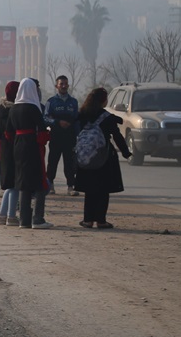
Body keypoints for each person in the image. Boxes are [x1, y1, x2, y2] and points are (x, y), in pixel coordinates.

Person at [74, 87, 131, 229]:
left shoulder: (82, 114)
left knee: (89, 190)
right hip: (103, 157)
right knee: (103, 190)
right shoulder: (107, 117)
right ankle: (101, 220)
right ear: (103, 101)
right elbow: (117, 136)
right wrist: (126, 152)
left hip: (85, 157)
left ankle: (87, 220)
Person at [7, 78, 53, 229]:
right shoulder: (34, 108)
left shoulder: (13, 108)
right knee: (40, 181)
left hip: (17, 146)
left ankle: (24, 220)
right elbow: (41, 132)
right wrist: (47, 136)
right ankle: (38, 219)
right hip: (32, 145)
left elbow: (8, 133)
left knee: (23, 182)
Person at [45, 75, 79, 196]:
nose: (64, 86)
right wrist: (57, 122)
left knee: (69, 162)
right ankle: (50, 185)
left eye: (66, 84)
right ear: (56, 86)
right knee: (52, 161)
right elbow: (45, 118)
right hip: (56, 136)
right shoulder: (51, 102)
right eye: (61, 84)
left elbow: (76, 119)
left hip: (70, 137)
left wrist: (78, 135)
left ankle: (71, 186)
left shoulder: (73, 102)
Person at [0, 81, 21, 226]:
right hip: (15, 148)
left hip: (4, 149)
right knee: (15, 184)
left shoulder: (0, 110)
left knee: (9, 184)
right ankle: (11, 216)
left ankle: (2, 215)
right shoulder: (16, 111)